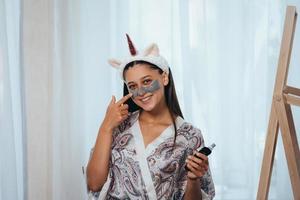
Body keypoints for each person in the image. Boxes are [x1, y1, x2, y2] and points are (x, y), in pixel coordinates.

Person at [86, 34, 215, 200]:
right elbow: (94, 184)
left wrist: (193, 179)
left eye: (146, 81)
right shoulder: (117, 126)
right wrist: (105, 127)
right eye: (133, 86)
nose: (140, 92)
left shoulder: (190, 136)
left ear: (164, 77)